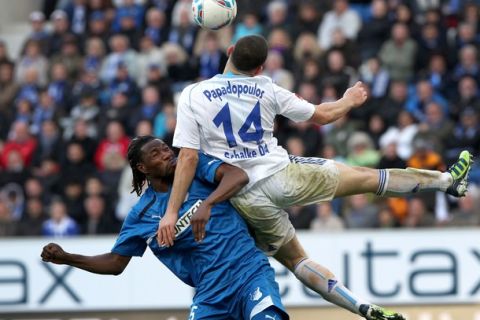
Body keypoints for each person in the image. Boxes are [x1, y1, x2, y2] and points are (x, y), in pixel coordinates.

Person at [160, 35, 473, 320]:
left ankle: (360, 307)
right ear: (260, 68)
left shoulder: (193, 94)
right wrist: (349, 99)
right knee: (366, 177)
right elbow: (322, 116)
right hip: (283, 173)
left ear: (229, 53)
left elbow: (187, 157)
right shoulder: (266, 87)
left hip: (244, 196)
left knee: (297, 261)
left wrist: (171, 212)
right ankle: (445, 182)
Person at [41, 136, 288, 320]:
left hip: (249, 271)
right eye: (156, 154)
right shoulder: (143, 214)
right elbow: (116, 263)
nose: (167, 154)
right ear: (143, 168)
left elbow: (237, 176)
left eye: (166, 148)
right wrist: (67, 258)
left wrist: (209, 203)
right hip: (210, 292)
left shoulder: (193, 165)